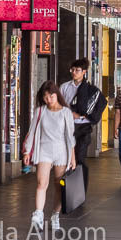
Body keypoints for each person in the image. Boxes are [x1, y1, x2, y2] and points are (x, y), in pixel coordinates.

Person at [23, 81, 76, 232]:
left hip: (61, 152)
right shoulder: (40, 111)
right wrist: (27, 151)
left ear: (56, 94)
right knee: (41, 183)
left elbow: (70, 137)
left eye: (51, 95)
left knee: (59, 186)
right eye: (45, 97)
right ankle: (38, 215)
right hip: (44, 150)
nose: (48, 99)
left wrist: (72, 158)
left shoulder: (66, 112)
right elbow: (31, 132)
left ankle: (55, 216)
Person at [60, 58, 101, 190]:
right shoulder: (65, 87)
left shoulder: (90, 90)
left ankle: (81, 188)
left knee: (80, 157)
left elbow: (95, 107)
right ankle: (68, 186)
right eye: (72, 70)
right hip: (67, 127)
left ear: (84, 72)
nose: (74, 72)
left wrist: (83, 115)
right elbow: (59, 106)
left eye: (77, 70)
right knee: (66, 159)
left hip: (83, 127)